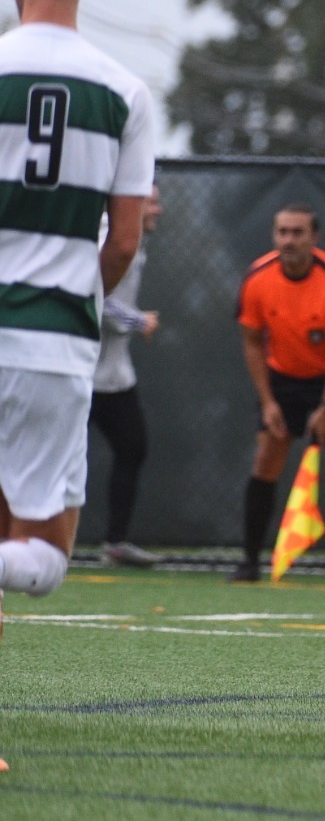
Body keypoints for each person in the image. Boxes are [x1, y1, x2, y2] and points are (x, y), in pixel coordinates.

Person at [0, 0, 155, 618]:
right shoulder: (125, 93)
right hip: (52, 341)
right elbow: (124, 240)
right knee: (42, 557)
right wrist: (73, 293)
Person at [233, 204, 325, 585]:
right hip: (282, 379)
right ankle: (249, 562)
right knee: (266, 460)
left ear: (315, 237)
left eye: (297, 233)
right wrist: (268, 402)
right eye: (282, 232)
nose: (288, 240)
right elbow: (251, 342)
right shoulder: (258, 278)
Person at [91, 183, 163, 567]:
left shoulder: (130, 241)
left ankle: (116, 543)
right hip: (82, 373)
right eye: (151, 202)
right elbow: (92, 297)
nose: (157, 210)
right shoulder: (107, 237)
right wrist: (138, 320)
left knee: (132, 448)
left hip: (114, 376)